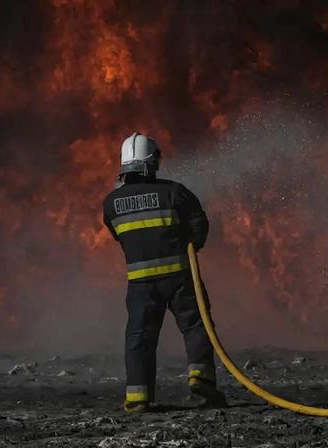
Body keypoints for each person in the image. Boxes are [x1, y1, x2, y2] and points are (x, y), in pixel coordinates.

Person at [102, 132, 227, 413]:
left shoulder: (111, 203)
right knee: (196, 326)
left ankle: (137, 397)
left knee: (139, 338)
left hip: (140, 285)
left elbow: (118, 235)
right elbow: (199, 226)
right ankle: (201, 379)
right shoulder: (174, 192)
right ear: (152, 162)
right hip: (181, 278)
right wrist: (191, 243)